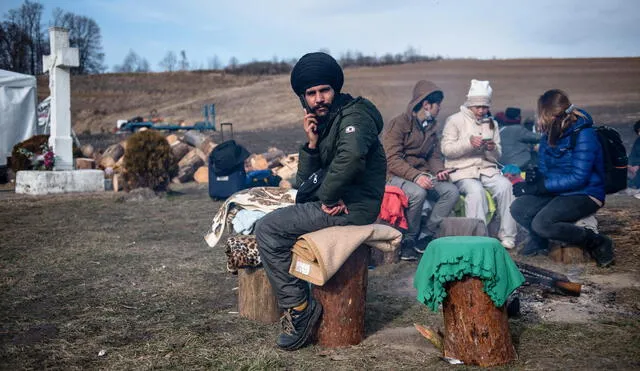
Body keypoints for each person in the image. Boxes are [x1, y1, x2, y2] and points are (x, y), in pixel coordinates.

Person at [254, 52, 386, 350]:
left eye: (324, 90)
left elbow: (350, 156)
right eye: (310, 93)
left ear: (335, 89)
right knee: (280, 221)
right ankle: (303, 295)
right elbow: (304, 183)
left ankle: (299, 308)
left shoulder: (355, 116)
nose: (318, 98)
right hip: (339, 202)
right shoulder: (326, 124)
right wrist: (312, 145)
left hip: (353, 207)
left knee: (268, 229)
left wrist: (327, 196)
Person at [510, 89, 614, 266]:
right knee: (519, 207)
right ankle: (540, 240)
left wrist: (542, 187)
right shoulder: (549, 133)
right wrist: (534, 180)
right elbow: (545, 168)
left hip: (585, 192)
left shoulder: (584, 134)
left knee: (543, 223)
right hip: (559, 191)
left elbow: (579, 177)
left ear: (553, 113)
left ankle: (597, 242)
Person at [382, 80, 459, 261]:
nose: (439, 108)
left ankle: (426, 234)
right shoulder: (399, 124)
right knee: (417, 192)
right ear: (426, 105)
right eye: (437, 105)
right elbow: (391, 159)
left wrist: (439, 170)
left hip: (422, 174)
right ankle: (409, 240)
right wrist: (416, 176)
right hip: (395, 175)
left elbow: (433, 155)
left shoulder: (432, 127)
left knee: (451, 191)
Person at [441, 79, 518, 249]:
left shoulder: (492, 124)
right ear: (470, 105)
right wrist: (469, 143)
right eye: (478, 107)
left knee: (506, 187)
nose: (482, 111)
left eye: (485, 107)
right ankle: (478, 238)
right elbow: (446, 149)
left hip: (486, 170)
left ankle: (507, 235)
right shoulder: (454, 120)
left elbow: (498, 155)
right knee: (476, 192)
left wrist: (491, 148)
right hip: (462, 171)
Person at [628, 120, 640, 192]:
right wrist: (629, 165)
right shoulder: (638, 141)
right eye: (638, 131)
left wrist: (638, 165)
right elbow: (633, 154)